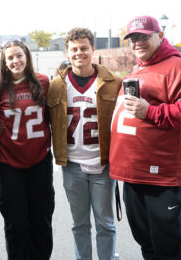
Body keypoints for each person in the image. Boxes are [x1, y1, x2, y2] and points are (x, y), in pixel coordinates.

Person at [110, 16, 181, 260]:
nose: (137, 42)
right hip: (135, 174)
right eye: (133, 38)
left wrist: (151, 112)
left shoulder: (180, 67)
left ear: (161, 36)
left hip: (162, 178)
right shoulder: (138, 69)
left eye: (144, 36)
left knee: (169, 248)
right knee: (148, 244)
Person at [47, 28, 121, 260]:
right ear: (67, 53)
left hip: (102, 164)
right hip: (72, 165)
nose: (79, 53)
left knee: (105, 223)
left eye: (84, 48)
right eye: (74, 49)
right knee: (79, 224)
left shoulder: (113, 82)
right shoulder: (56, 85)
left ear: (92, 49)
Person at [0, 38, 54, 260]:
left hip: (39, 161)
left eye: (19, 55)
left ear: (27, 56)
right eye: (10, 57)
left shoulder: (44, 82)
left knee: (41, 220)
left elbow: (54, 118)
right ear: (4, 62)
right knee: (15, 223)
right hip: (9, 163)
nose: (15, 61)